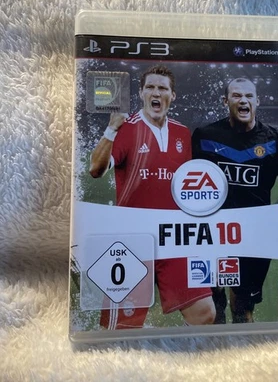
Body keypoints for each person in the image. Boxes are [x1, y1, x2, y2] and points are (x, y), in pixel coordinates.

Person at [90, 65, 215, 329]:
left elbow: (189, 187)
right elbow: (96, 170)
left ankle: (176, 352)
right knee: (121, 329)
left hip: (174, 237)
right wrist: (111, 129)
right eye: (150, 87)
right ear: (141, 93)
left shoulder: (182, 133)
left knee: (204, 313)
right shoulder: (126, 129)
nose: (156, 93)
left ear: (172, 95)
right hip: (133, 239)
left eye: (162, 88)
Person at [192, 77, 278, 324]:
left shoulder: (274, 141)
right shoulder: (205, 137)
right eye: (236, 95)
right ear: (225, 101)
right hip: (214, 232)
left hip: (256, 236)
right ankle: (216, 342)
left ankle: (242, 344)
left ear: (257, 101)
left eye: (249, 96)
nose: (243, 100)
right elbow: (187, 181)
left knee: (243, 309)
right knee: (215, 305)